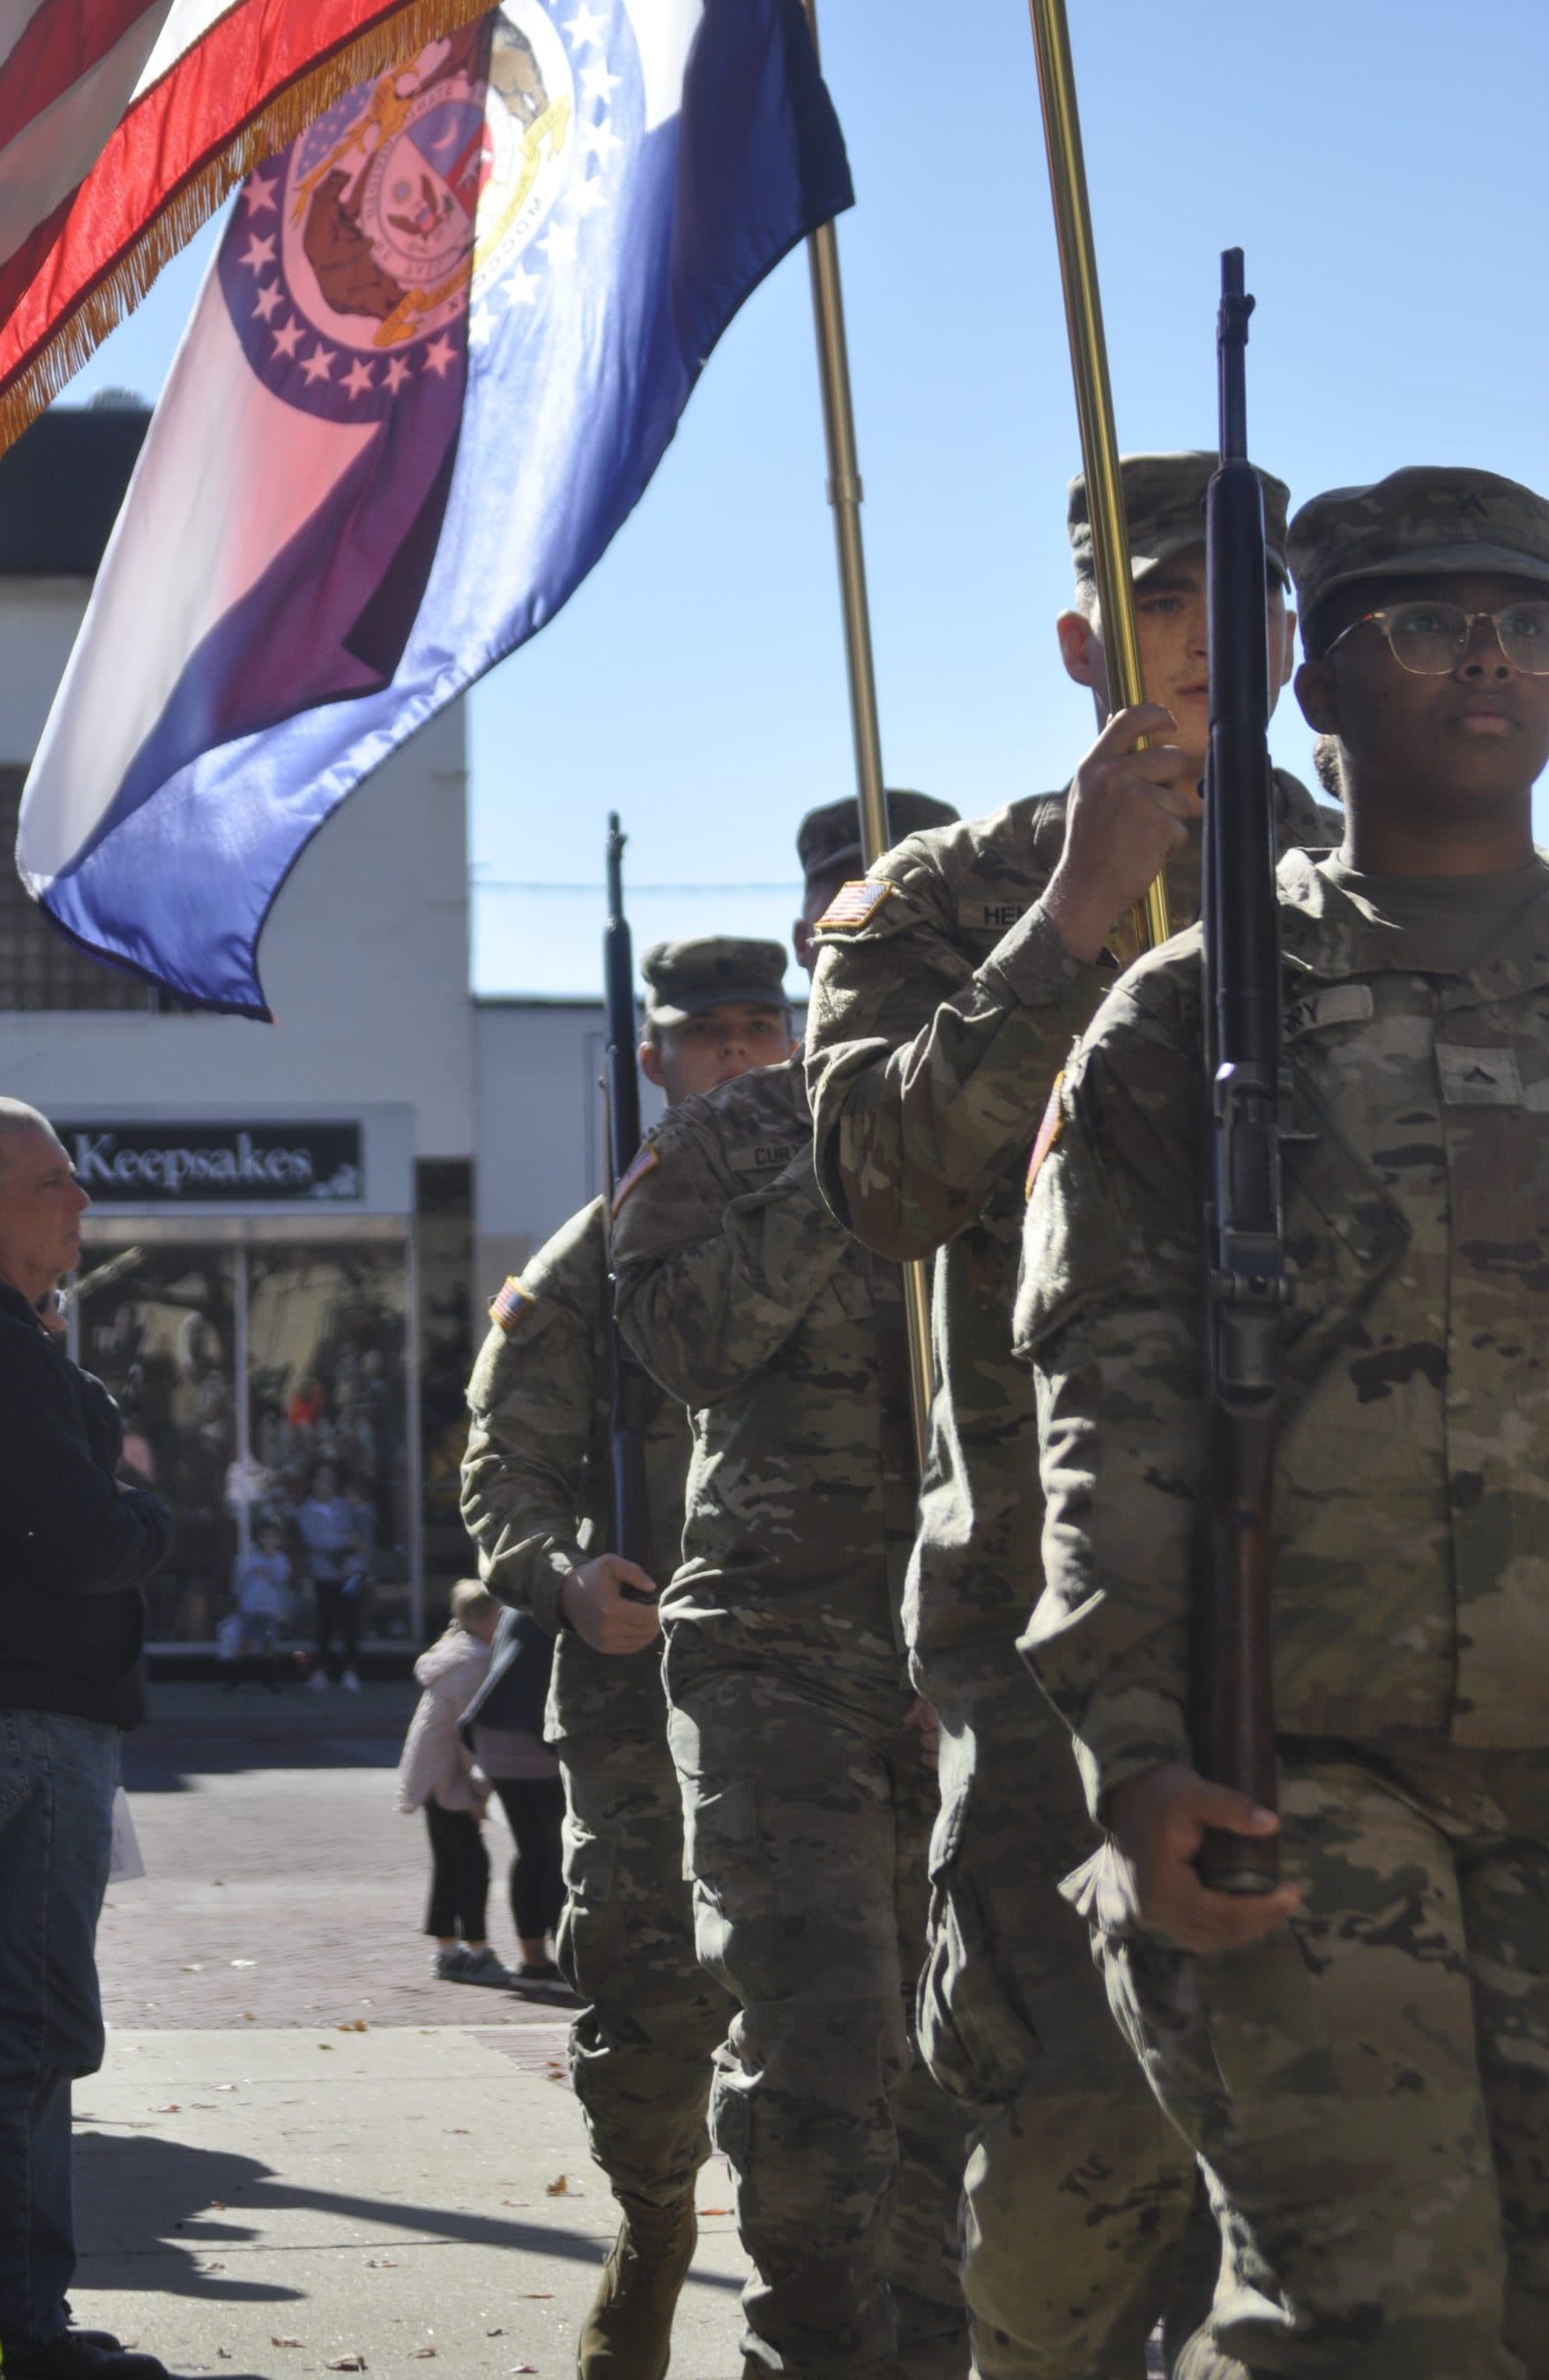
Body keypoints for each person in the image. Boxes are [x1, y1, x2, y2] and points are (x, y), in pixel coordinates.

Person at [806, 455, 1339, 2378]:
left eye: (1242, 595)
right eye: (1160, 596)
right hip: (1055, 1633)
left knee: (1355, 2213)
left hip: (1358, 1624)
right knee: (1068, 2199)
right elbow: (882, 1185)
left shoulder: (1376, 879)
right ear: (1079, 638)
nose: (1206, 634)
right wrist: (1077, 912)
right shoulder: (943, 896)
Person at [1016, 464, 1549, 2380]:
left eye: (1525, 622)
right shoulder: (1195, 1018)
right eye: (1426, 622)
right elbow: (1109, 1410)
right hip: (1299, 1777)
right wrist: (1133, 1754)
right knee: (1382, 2330)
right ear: (1313, 686)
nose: (1487, 658)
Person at [611, 792, 972, 2380]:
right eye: (852, 916)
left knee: (973, 2070)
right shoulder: (728, 1139)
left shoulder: (1049, 1108)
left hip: (982, 1656)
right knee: (822, 2058)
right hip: (781, 1651)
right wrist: (855, 1152)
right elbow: (685, 1345)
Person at [461, 935, 793, 2380]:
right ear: (651, 1060)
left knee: (842, 2012)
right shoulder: (596, 1256)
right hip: (639, 1699)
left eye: (759, 1025)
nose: (739, 1052)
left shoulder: (873, 1211)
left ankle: (817, 2292)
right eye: (707, 1034)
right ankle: (657, 2229)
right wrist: (561, 1577)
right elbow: (502, 1469)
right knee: (650, 2008)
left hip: (830, 1686)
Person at [0, 1097, 176, 2380]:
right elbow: (80, 1537)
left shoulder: (11, 1344)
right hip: (27, 1731)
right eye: (52, 1181)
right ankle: (12, 2332)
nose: (82, 1200)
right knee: (26, 2036)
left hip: (14, 1721)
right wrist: (146, 1513)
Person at [395, 1580, 509, 1986]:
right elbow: (470, 1733)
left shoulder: (453, 1653)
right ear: (488, 1618)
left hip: (430, 1774)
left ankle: (447, 1950)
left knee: (449, 1863)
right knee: (473, 1865)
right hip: (448, 1779)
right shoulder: (473, 1663)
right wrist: (480, 1789)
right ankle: (477, 1951)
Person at [464, 1601, 568, 1984]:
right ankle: (566, 1959)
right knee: (557, 1854)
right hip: (538, 1744)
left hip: (494, 1741)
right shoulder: (558, 1604)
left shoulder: (514, 1607)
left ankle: (534, 1958)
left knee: (531, 1852)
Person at [296, 1459, 364, 1690]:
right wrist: (343, 1540)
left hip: (349, 1573)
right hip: (324, 1574)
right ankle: (320, 1671)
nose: (326, 1483)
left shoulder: (344, 1506)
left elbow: (358, 1535)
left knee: (350, 1622)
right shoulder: (306, 1510)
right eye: (322, 1478)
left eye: (330, 1478)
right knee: (325, 1623)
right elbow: (315, 1541)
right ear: (313, 1482)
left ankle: (351, 1671)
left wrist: (345, 1544)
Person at [223, 1516, 291, 1691]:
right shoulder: (249, 1558)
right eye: (265, 1537)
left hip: (269, 1608)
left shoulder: (281, 1559)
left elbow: (280, 1578)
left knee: (268, 1642)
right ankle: (238, 1677)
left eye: (272, 1537)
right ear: (260, 1539)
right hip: (250, 1606)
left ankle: (269, 1678)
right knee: (245, 1641)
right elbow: (239, 1581)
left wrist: (269, 1564)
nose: (269, 1541)